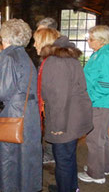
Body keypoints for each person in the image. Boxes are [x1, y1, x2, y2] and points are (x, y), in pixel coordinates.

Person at [34, 28, 93, 192]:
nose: (34, 45)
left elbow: (59, 98)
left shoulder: (55, 62)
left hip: (66, 120)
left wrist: (59, 126)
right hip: (74, 116)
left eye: (36, 40)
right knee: (68, 157)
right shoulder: (63, 58)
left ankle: (66, 188)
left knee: (63, 159)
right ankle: (69, 187)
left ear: (45, 41)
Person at [0, 18, 42, 192]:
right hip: (27, 115)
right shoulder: (24, 56)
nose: (1, 41)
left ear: (8, 38)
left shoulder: (9, 57)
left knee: (9, 161)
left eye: (2, 38)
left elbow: (2, 91)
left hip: (12, 116)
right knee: (24, 161)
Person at [78, 25, 109, 184]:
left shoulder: (105, 55)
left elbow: (106, 84)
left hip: (101, 103)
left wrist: (89, 98)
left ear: (101, 40)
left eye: (91, 39)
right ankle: (102, 167)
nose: (89, 41)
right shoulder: (102, 53)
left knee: (94, 138)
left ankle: (95, 174)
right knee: (101, 137)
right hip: (104, 102)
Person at [36, 17, 58, 164]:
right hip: (49, 102)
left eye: (40, 32)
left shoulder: (56, 56)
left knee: (53, 127)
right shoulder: (48, 55)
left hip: (54, 104)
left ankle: (51, 155)